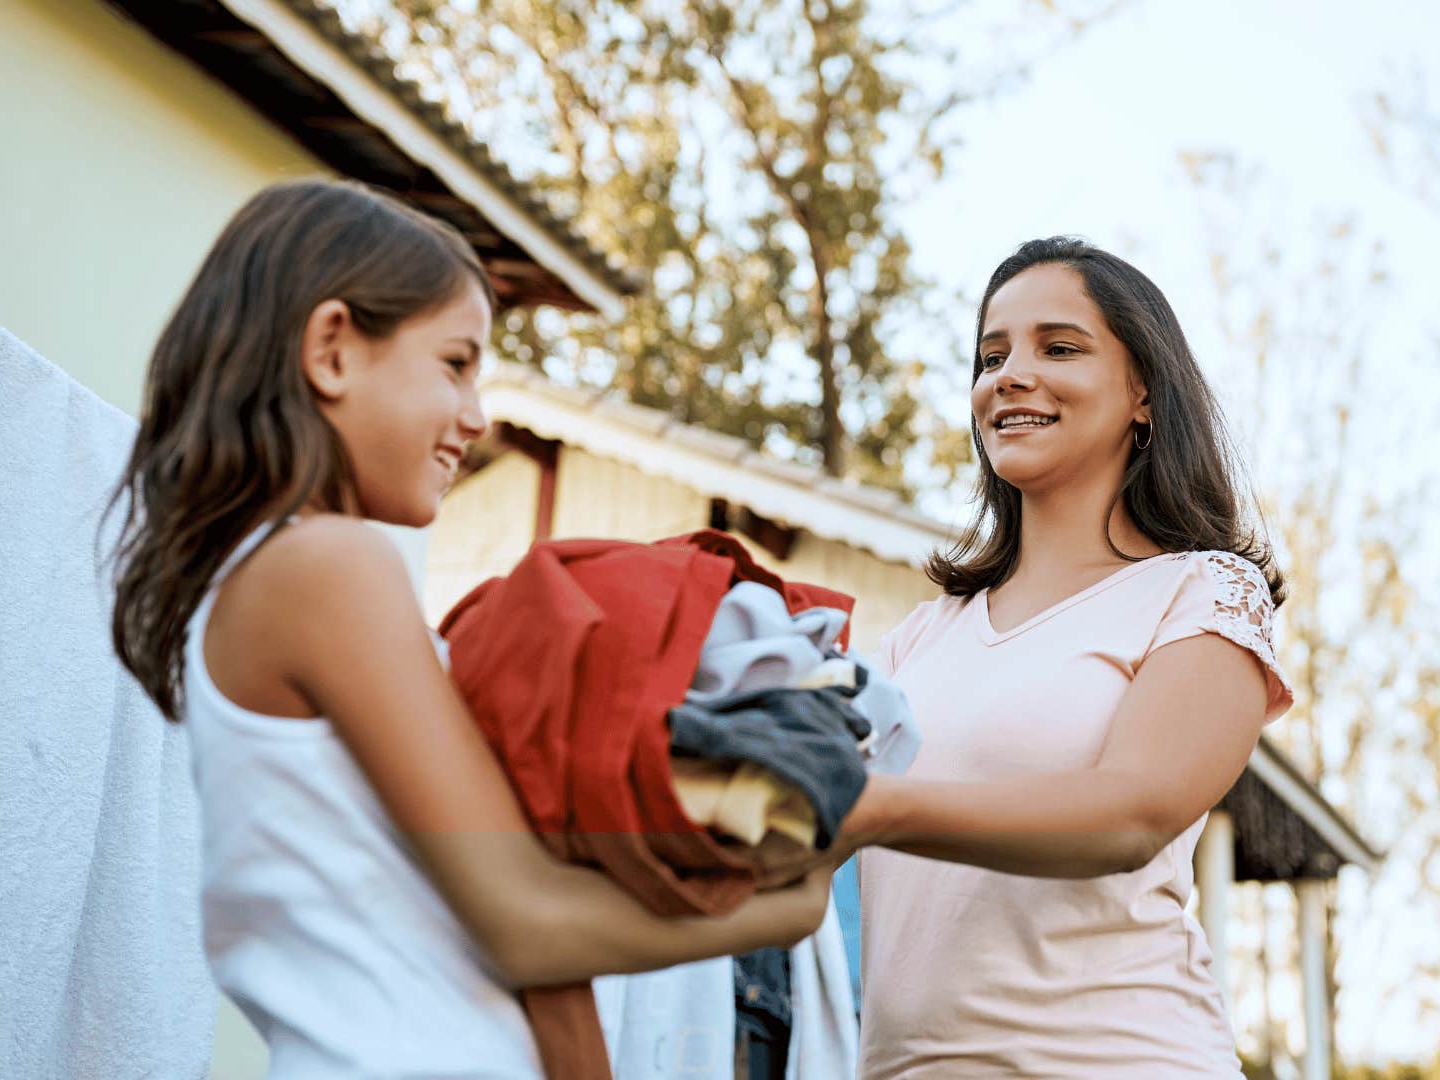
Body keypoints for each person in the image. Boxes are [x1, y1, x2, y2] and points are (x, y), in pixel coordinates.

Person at [106, 177, 832, 1078]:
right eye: (455, 364)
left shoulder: (278, 576)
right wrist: (789, 909)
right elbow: (525, 925)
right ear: (332, 349)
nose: (477, 417)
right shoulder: (325, 564)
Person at [835, 237, 1295, 1076]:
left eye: (1060, 347)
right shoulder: (918, 641)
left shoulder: (1204, 592)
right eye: (990, 355)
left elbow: (1132, 812)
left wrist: (871, 811)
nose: (1009, 374)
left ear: (1143, 392)